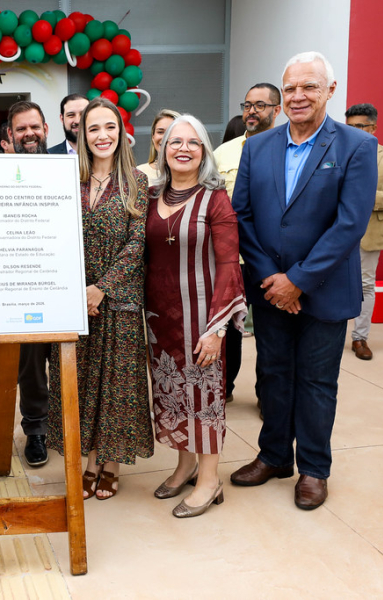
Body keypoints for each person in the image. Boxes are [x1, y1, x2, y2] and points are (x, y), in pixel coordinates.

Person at [230, 52, 377, 511]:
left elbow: (350, 225)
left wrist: (298, 280)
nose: (298, 96)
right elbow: (242, 216)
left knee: (316, 382)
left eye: (309, 86)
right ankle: (274, 456)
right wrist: (272, 279)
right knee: (273, 375)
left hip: (324, 290)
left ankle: (314, 468)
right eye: (290, 87)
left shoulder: (356, 146)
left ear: (330, 90)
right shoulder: (257, 147)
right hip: (269, 289)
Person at [46, 97, 153, 500]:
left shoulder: (137, 182)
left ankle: (110, 465)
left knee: (116, 387)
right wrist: (77, 289)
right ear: (81, 134)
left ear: (121, 132)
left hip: (119, 300)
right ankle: (89, 460)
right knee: (80, 383)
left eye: (110, 127)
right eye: (93, 128)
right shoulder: (66, 180)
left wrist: (101, 287)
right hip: (73, 299)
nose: (102, 135)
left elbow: (137, 243)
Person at [145, 114, 246, 518]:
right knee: (171, 392)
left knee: (204, 398)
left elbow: (229, 264)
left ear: (204, 151)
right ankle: (185, 465)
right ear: (163, 149)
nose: (183, 148)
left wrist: (217, 328)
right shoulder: (151, 195)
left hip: (202, 317)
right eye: (175, 141)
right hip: (160, 319)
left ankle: (209, 479)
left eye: (193, 142)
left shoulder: (215, 198)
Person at [214, 83, 282, 407]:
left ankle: (267, 398)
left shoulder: (288, 150)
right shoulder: (224, 153)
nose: (252, 111)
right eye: (247, 105)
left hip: (271, 261)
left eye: (260, 105)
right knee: (228, 332)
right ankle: (223, 388)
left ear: (276, 110)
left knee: (270, 334)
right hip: (230, 259)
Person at [7, 100, 52, 467]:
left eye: (34, 127)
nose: (29, 134)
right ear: (10, 135)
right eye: (20, 129)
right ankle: (36, 429)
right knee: (31, 366)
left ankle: (69, 426)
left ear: (46, 129)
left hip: (65, 282)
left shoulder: (72, 171)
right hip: (23, 287)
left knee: (72, 361)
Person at [345, 103, 383, 360]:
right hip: (336, 230)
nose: (354, 131)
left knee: (366, 285)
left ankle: (360, 337)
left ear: (373, 128)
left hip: (371, 230)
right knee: (328, 282)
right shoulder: (335, 153)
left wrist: (370, 197)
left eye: (360, 126)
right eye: (349, 126)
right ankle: (326, 334)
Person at [136, 109, 181, 180]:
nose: (165, 137)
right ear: (153, 137)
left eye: (171, 132)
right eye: (160, 132)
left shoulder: (192, 172)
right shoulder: (139, 173)